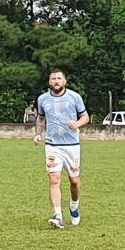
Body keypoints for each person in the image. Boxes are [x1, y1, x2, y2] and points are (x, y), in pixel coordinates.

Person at [33, 70, 89, 228]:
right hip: (52, 146)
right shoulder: (43, 99)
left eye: (59, 78)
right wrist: (38, 134)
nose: (56, 81)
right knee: (54, 179)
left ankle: (74, 205)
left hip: (72, 146)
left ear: (65, 81)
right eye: (53, 78)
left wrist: (78, 124)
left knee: (74, 181)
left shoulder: (74, 97)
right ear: (49, 81)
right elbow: (41, 118)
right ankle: (58, 216)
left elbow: (85, 117)